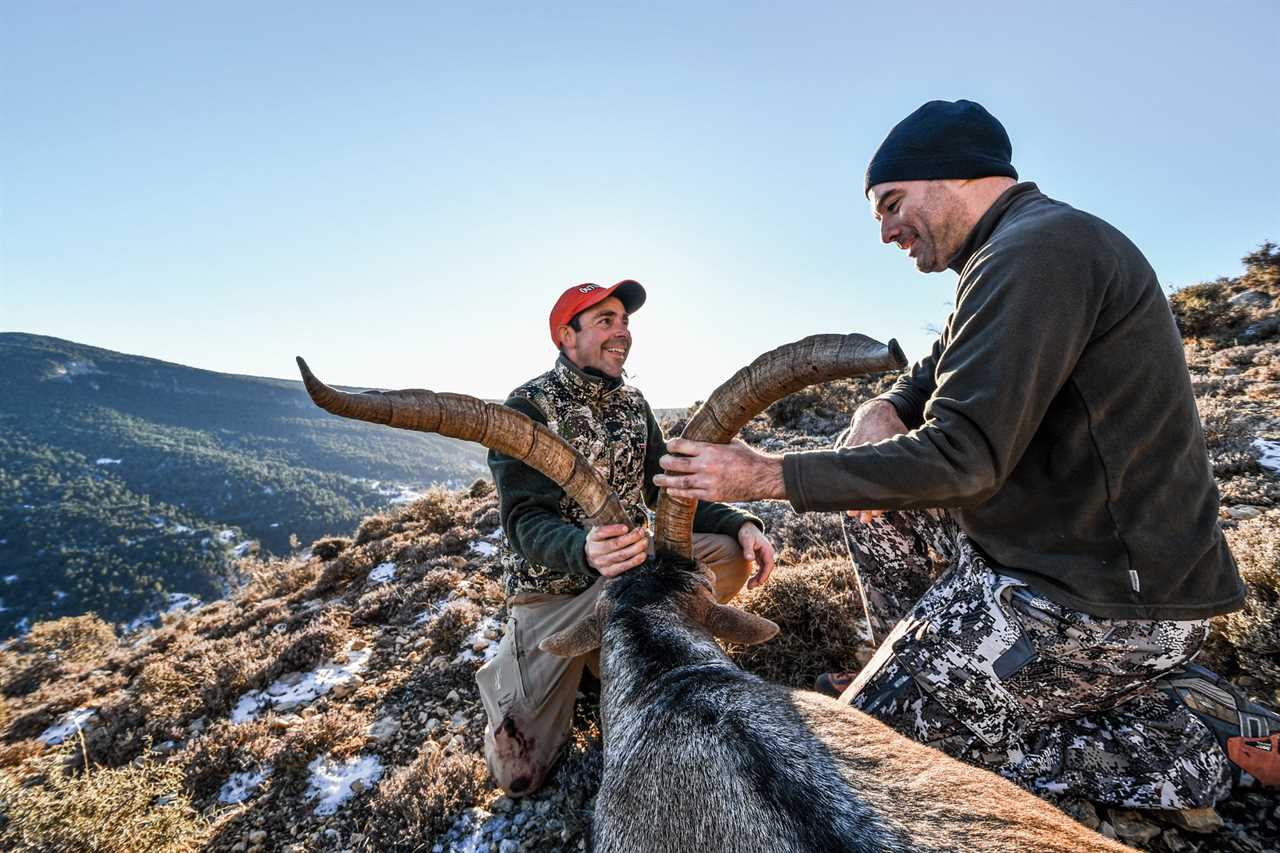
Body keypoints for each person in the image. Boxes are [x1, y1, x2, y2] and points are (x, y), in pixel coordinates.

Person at [653, 100, 1276, 809]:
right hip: (1060, 555)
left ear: (953, 174)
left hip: (1111, 602)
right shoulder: (1008, 253)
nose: (886, 232)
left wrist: (765, 474)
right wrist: (878, 409)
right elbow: (929, 375)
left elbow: (962, 458)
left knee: (877, 769)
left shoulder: (1037, 253)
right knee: (873, 511)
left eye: (892, 204)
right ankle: (933, 672)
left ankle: (1190, 736)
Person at [477, 279, 776, 796]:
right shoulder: (528, 408)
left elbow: (667, 491)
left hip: (628, 579)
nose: (623, 333)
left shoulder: (634, 406)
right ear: (566, 337)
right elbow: (525, 519)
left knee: (729, 556)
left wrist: (739, 523)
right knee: (518, 776)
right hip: (555, 597)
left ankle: (617, 650)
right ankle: (534, 665)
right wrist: (582, 549)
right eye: (605, 322)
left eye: (625, 322)